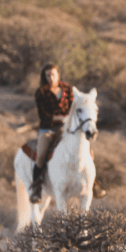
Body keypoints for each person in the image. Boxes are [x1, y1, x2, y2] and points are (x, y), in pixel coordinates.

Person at [29, 64, 73, 203]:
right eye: (48, 75)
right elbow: (43, 114)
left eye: (53, 74)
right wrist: (58, 118)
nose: (51, 78)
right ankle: (36, 189)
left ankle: (94, 183)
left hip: (66, 128)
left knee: (85, 148)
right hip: (48, 129)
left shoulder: (68, 89)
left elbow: (74, 106)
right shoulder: (41, 92)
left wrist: (69, 119)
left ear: (58, 75)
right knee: (41, 155)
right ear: (44, 76)